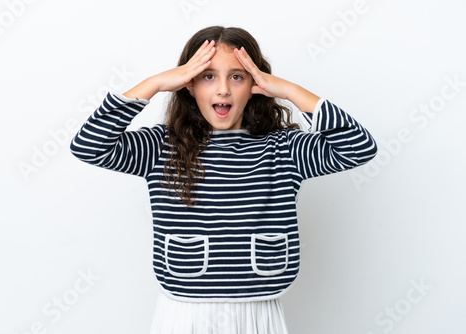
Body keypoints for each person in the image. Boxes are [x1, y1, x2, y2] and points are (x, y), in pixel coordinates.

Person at [70, 26, 377, 334]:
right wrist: (155, 83)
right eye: (207, 76)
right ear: (188, 85)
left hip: (258, 312)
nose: (222, 91)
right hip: (184, 311)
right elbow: (88, 146)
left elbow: (359, 147)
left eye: (236, 76)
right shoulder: (160, 146)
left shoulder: (284, 149)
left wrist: (289, 90)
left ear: (256, 84)